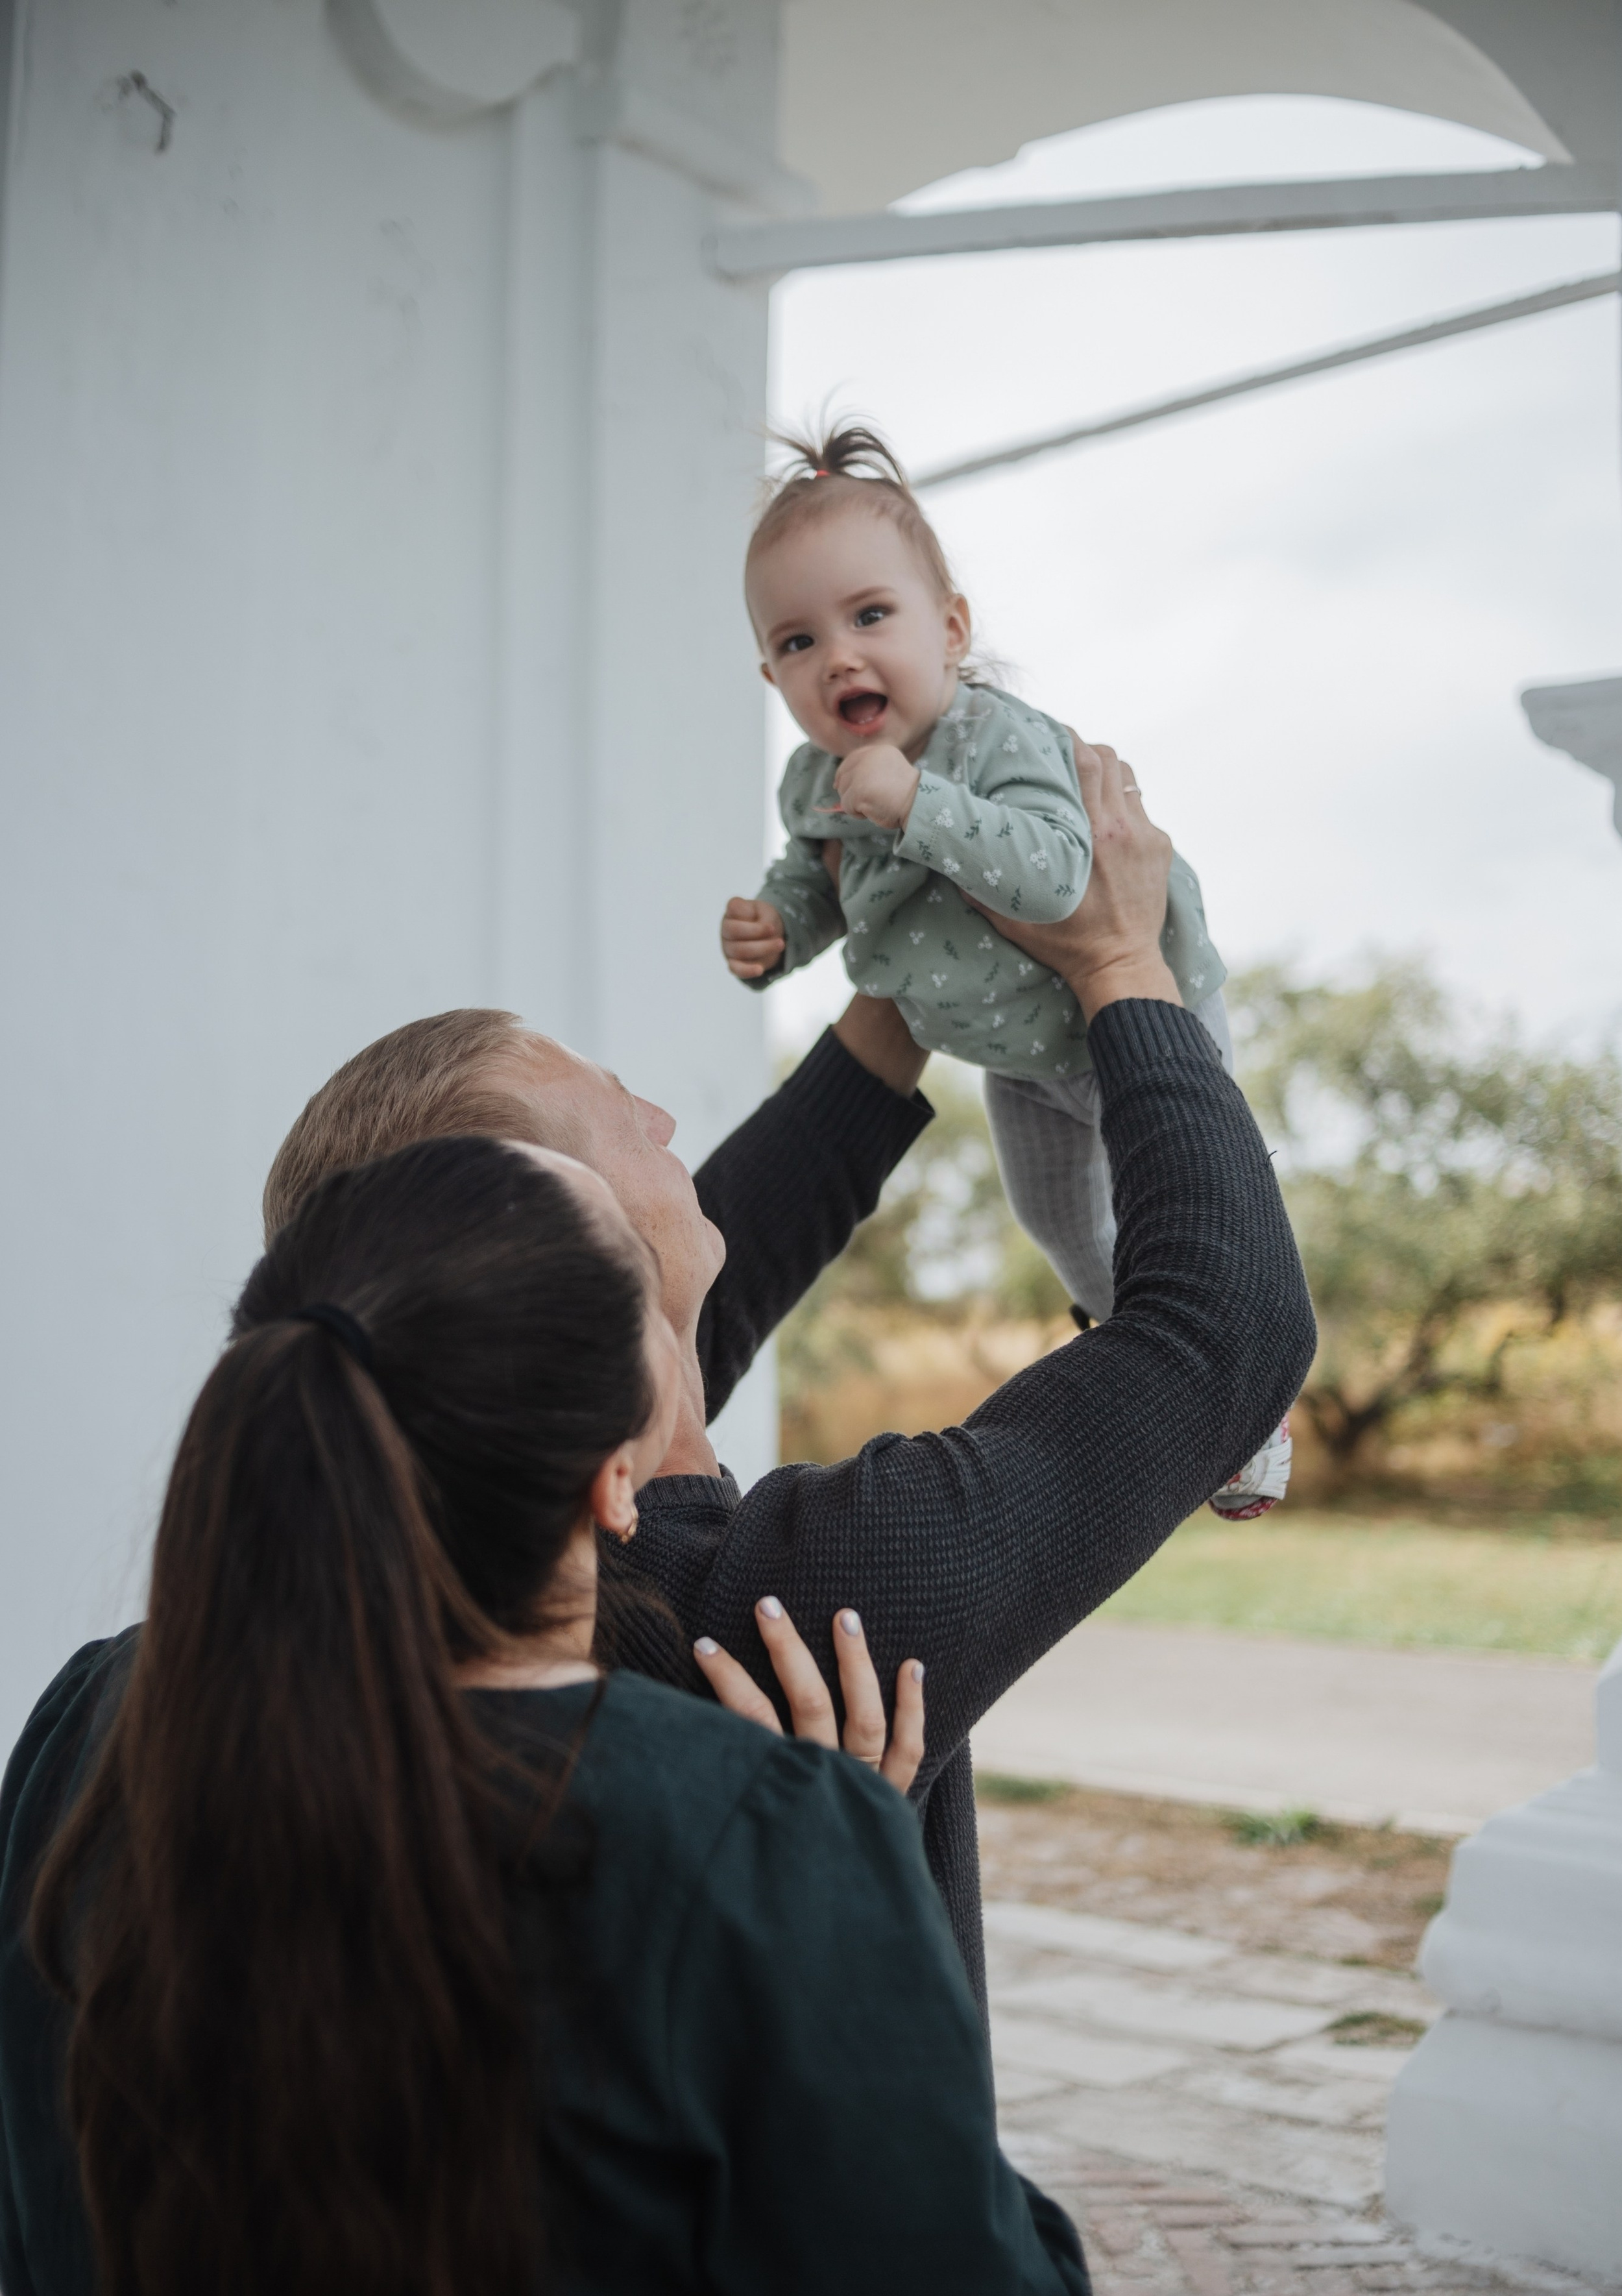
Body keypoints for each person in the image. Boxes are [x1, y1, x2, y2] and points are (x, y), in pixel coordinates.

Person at [6, 745, 1315, 2024]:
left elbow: (720, 1266)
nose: (669, 1127)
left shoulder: (158, 1689)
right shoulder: (812, 1612)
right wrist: (1116, 964)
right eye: (626, 1112)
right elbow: (1222, 1328)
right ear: (560, 1232)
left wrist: (905, 951)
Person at [0, 1132, 1106, 2296]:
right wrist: (864, 1898)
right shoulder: (756, 1837)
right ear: (616, 1479)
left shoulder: (90, 1733)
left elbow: (63, 2293)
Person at [720, 423, 1287, 1520]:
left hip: (1135, 1022)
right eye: (797, 641)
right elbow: (822, 880)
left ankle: (1250, 1411)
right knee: (1059, 1224)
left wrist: (915, 803)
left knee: (1195, 1203)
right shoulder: (816, 781)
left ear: (951, 627)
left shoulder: (997, 740)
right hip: (1017, 1061)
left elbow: (1062, 874)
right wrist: (778, 935)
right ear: (771, 673)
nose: (838, 656)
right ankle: (1158, 1378)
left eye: (870, 617)